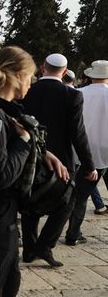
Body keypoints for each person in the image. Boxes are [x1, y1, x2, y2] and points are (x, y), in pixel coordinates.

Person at [0, 46, 67, 296]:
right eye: (30, 76)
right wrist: (24, 142)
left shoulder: (3, 110)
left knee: (8, 282)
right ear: (17, 75)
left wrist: (40, 151)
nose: (32, 83)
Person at [20, 53, 97, 267]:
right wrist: (89, 165)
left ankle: (29, 248)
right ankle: (44, 246)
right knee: (67, 203)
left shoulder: (28, 91)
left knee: (30, 202)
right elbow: (77, 134)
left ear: (43, 67)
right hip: (61, 159)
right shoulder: (71, 95)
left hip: (29, 155)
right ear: (65, 71)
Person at [65, 60, 107, 246]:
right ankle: (73, 234)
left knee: (78, 195)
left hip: (80, 150)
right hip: (104, 151)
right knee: (81, 195)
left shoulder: (78, 93)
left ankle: (73, 233)